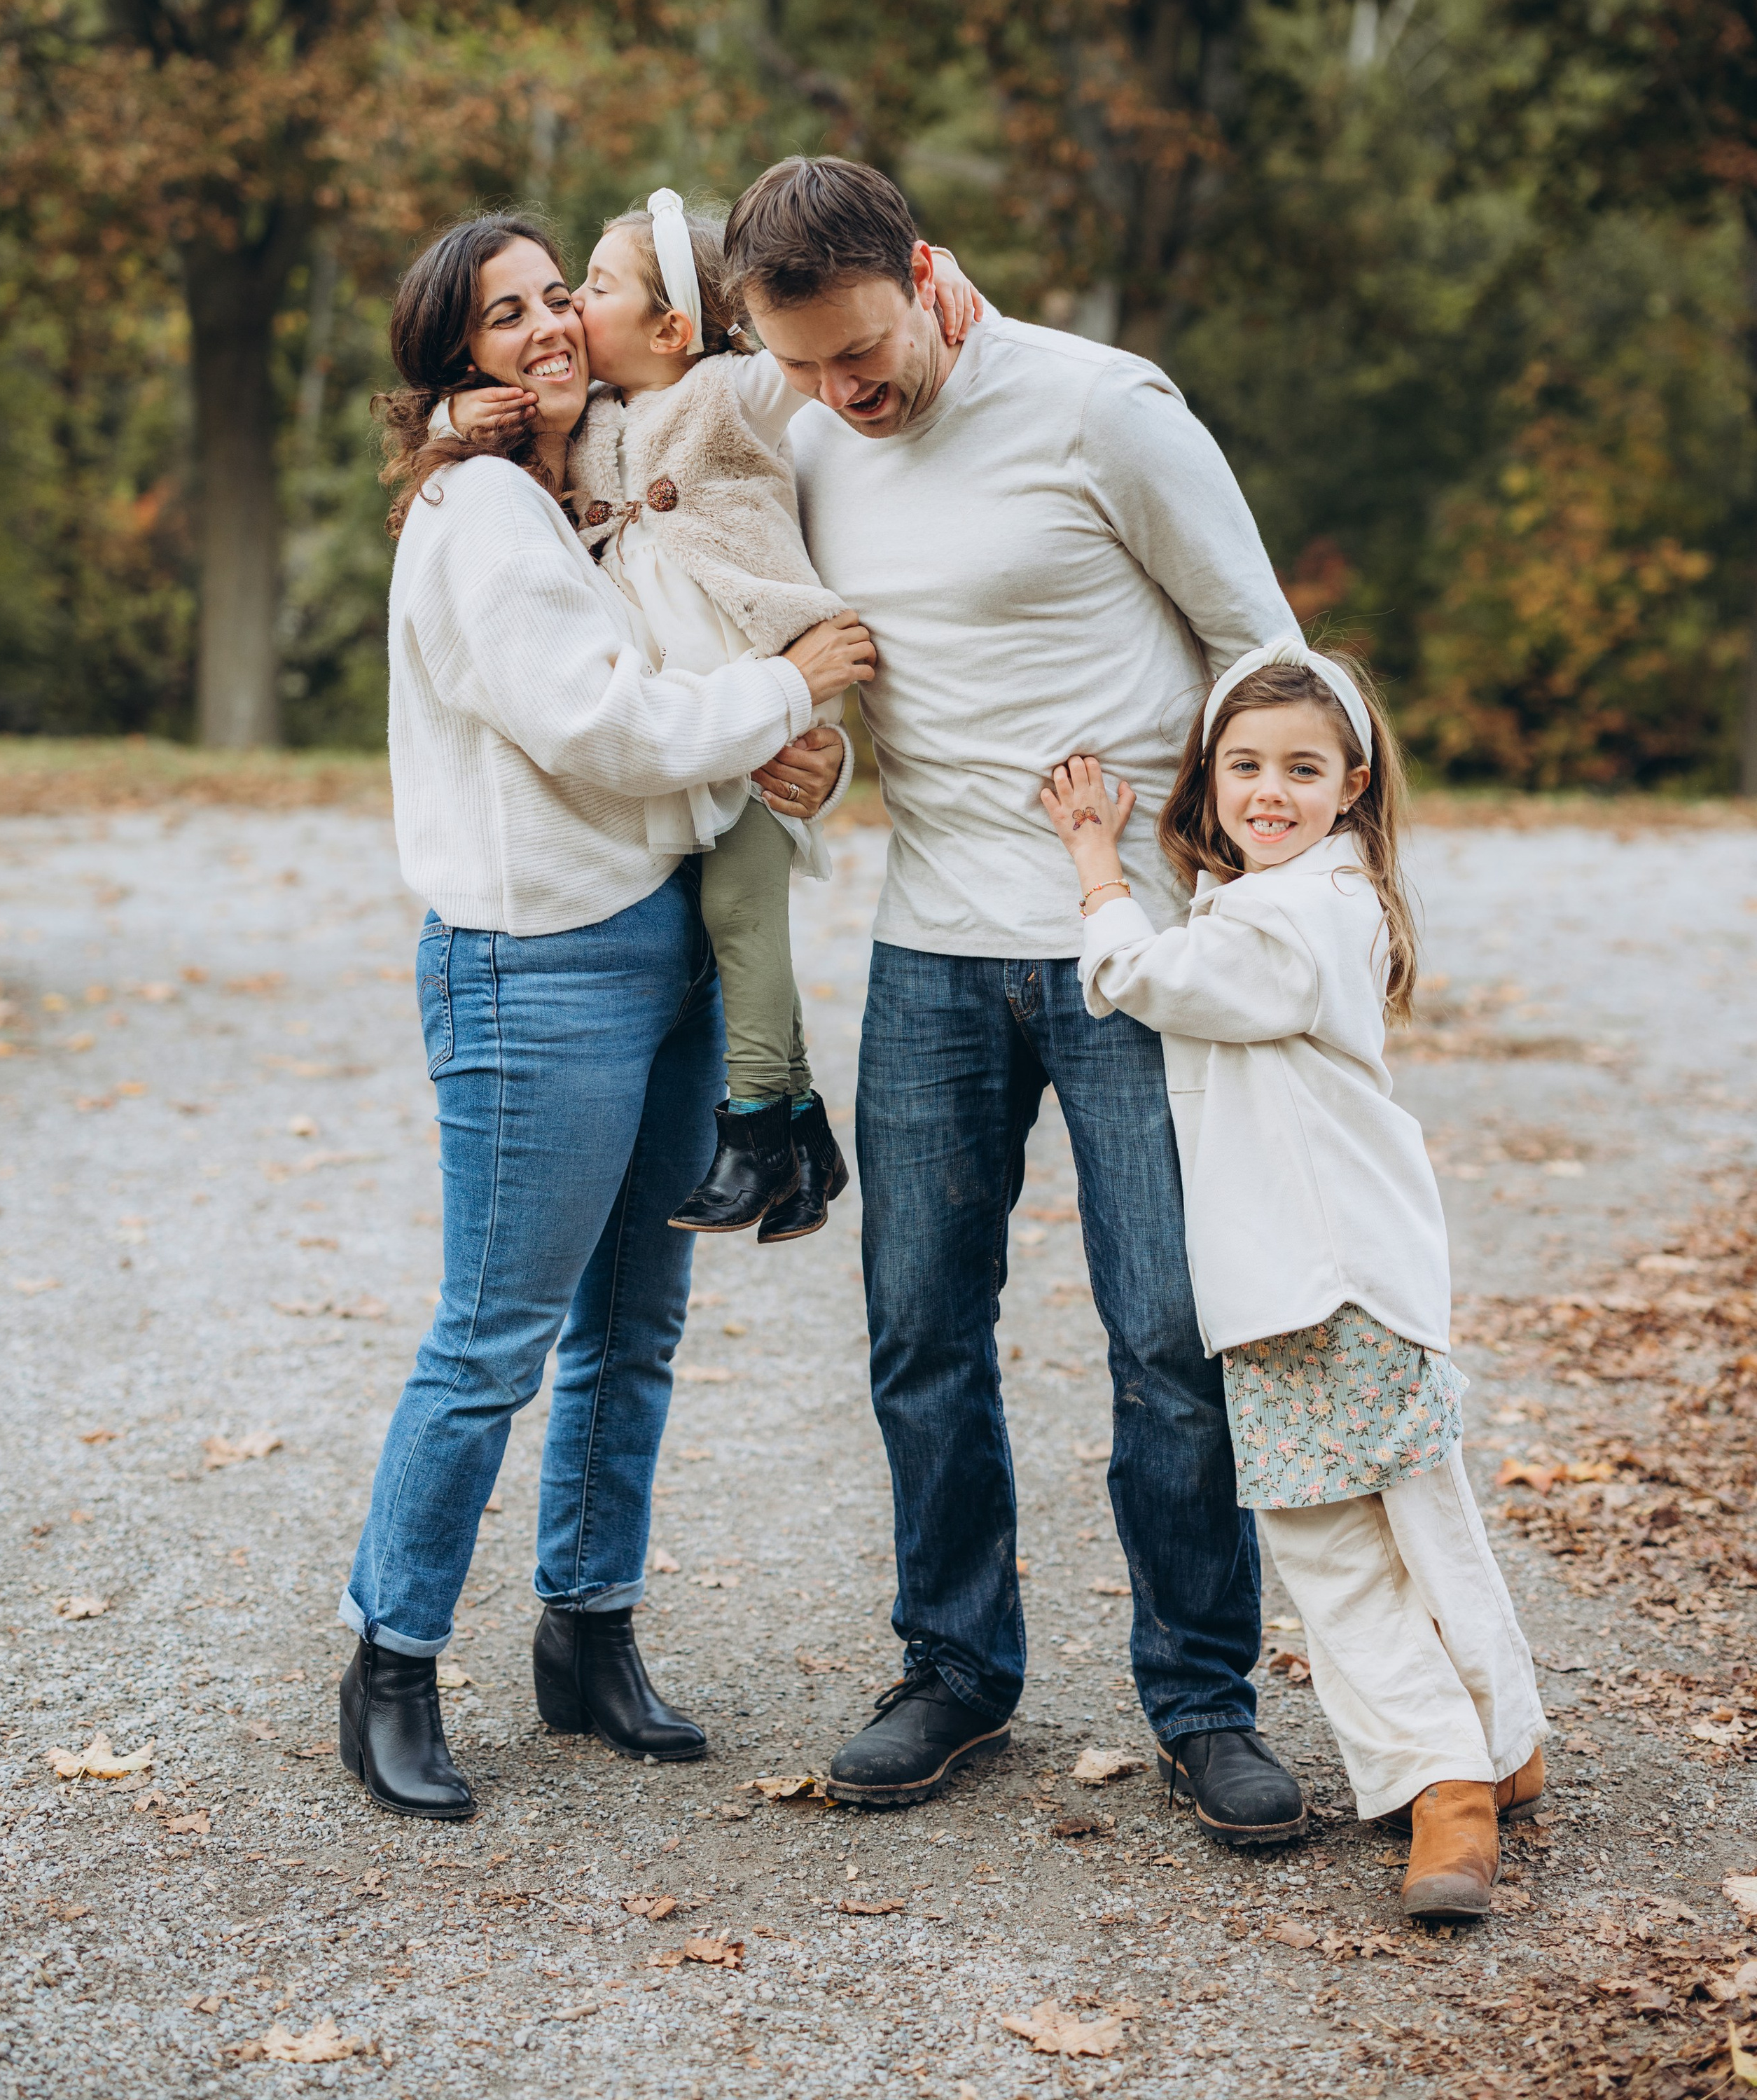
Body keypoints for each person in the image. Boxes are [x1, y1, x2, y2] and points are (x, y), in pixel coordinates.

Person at [726, 155, 1309, 1840]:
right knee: (918, 1330)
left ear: (926, 276)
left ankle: (1201, 1701)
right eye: (802, 364)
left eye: (863, 350)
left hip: (1133, 946)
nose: (844, 392)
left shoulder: (1101, 408)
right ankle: (953, 1671)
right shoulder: (803, 435)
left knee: (1166, 1337)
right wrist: (810, 757)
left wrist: (1282, 901)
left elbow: (1261, 652)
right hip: (929, 950)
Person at [338, 213, 869, 1820]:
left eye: (556, 295)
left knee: (634, 1326)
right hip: (536, 967)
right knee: (493, 1338)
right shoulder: (483, 513)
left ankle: (588, 1634)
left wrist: (790, 749)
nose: (549, 324)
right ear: (459, 360)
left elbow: (686, 642)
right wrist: (790, 690)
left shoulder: (575, 491)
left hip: (661, 943)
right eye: (503, 316)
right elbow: (598, 723)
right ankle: (390, 1662)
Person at [1042, 636, 1546, 1918]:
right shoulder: (1320, 893)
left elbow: (1147, 978)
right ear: (1211, 777)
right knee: (1422, 1520)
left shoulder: (1292, 916)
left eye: (1302, 770)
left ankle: (1445, 1789)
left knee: (1333, 1549)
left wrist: (1096, 862)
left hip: (1308, 1284)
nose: (1270, 790)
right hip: (1365, 1272)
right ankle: (1502, 1739)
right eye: (1246, 765)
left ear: (1352, 785)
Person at [443, 193, 986, 1244]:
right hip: (697, 723)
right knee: (730, 921)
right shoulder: (591, 420)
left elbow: (815, 328)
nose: (572, 308)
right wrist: (450, 422)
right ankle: (805, 1134)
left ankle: (753, 1126)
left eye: (593, 288)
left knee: (740, 914)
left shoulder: (732, 393)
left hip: (765, 696)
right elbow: (470, 425)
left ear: (672, 327)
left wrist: (933, 279)